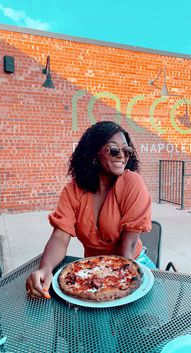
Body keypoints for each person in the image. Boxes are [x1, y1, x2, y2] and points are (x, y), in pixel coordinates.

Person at [26, 121, 155, 299]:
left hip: (133, 267)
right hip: (90, 270)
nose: (122, 157)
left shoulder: (132, 183)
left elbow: (130, 245)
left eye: (127, 151)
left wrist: (120, 284)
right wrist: (45, 269)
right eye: (114, 150)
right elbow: (60, 237)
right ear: (95, 154)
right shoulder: (74, 190)